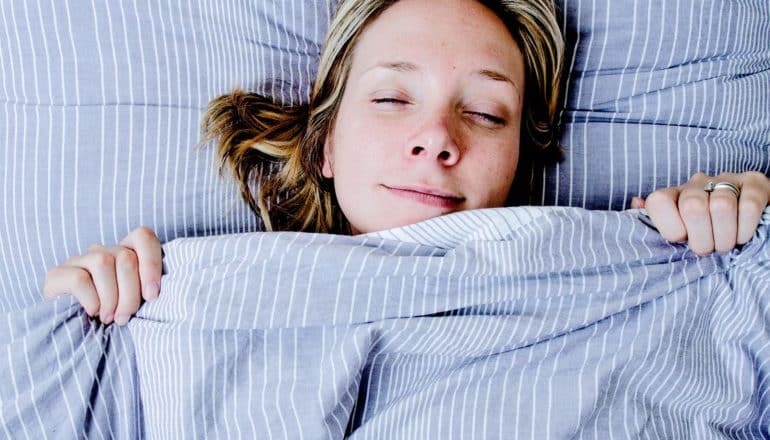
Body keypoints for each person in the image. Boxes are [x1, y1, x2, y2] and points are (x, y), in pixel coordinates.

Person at [43, 0, 770, 327]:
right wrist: (78, 306)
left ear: (520, 157)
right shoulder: (184, 290)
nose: (437, 138)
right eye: (392, 98)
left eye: (486, 113)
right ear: (324, 143)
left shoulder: (638, 261)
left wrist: (745, 225)